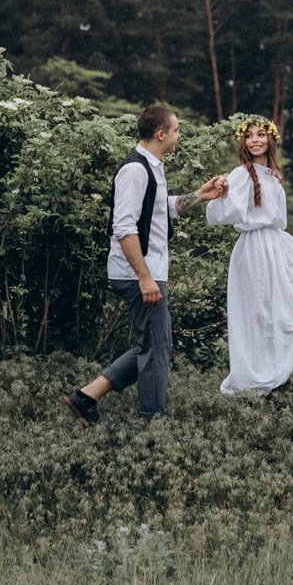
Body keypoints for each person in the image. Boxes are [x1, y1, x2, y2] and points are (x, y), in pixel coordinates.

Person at [64, 104, 221, 425]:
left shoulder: (152, 167)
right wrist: (145, 278)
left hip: (146, 272)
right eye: (176, 130)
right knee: (156, 348)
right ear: (161, 134)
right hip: (138, 273)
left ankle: (86, 397)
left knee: (155, 345)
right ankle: (153, 421)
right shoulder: (135, 170)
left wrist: (200, 195)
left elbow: (160, 208)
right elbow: (123, 227)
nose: (178, 136)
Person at [201, 115, 293, 397]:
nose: (255, 140)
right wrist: (224, 194)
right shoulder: (241, 174)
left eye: (260, 134)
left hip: (275, 249)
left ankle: (273, 376)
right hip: (253, 249)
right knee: (256, 314)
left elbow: (277, 223)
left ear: (270, 139)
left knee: (277, 312)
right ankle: (253, 380)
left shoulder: (274, 175)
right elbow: (221, 214)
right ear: (243, 141)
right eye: (249, 135)